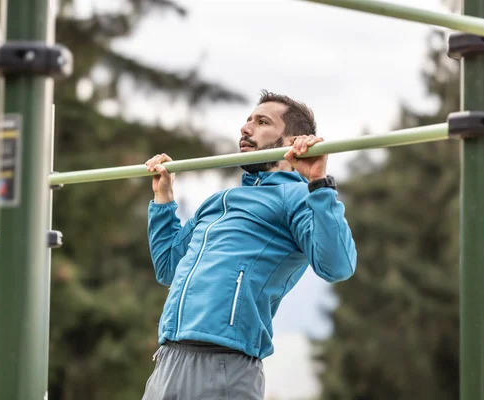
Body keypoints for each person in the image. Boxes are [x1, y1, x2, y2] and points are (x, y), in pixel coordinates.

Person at [142, 90, 357, 400]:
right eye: (247, 120)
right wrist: (163, 199)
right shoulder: (218, 202)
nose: (245, 128)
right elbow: (168, 269)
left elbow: (338, 266)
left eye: (262, 122)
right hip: (168, 360)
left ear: (290, 142)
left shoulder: (295, 197)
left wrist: (319, 183)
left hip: (224, 364)